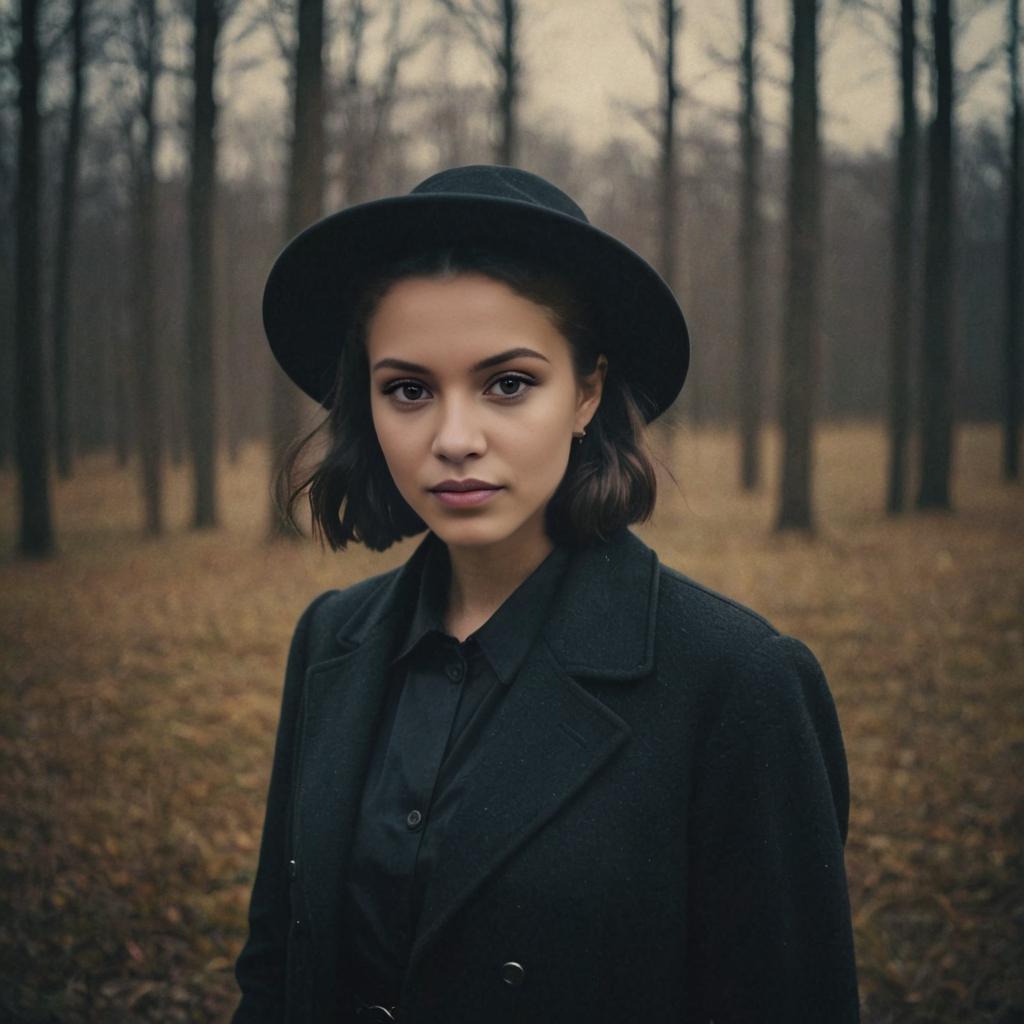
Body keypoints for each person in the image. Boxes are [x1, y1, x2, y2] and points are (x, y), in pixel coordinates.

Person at [232, 165, 860, 1024]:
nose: (455, 439)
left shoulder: (736, 683)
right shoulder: (331, 642)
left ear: (587, 393)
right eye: (408, 390)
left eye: (508, 383)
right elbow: (276, 971)